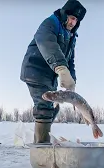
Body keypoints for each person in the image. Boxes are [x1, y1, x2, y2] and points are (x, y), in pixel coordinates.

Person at [20, 0, 87, 143]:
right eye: (72, 18)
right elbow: (47, 43)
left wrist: (72, 79)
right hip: (35, 70)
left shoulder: (71, 36)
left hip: (50, 76)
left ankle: (42, 140)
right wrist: (61, 69)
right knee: (44, 108)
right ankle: (41, 150)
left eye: (77, 20)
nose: (73, 23)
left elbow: (70, 60)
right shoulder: (51, 23)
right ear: (65, 14)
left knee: (53, 108)